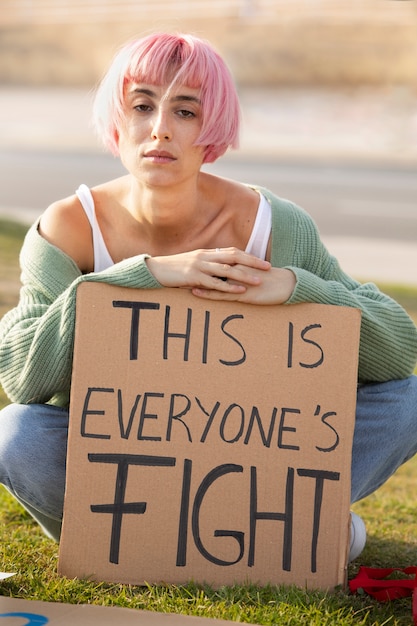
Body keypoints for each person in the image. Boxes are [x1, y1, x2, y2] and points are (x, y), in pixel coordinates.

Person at [0, 33, 416, 559]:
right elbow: (22, 376)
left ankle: (293, 517)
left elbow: (399, 348)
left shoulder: (270, 224)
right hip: (120, 470)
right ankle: (129, 532)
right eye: (142, 105)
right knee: (15, 432)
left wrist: (294, 288)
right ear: (118, 119)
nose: (160, 130)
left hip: (256, 458)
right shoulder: (70, 227)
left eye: (186, 111)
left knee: (408, 400)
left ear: (211, 128)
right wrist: (142, 275)